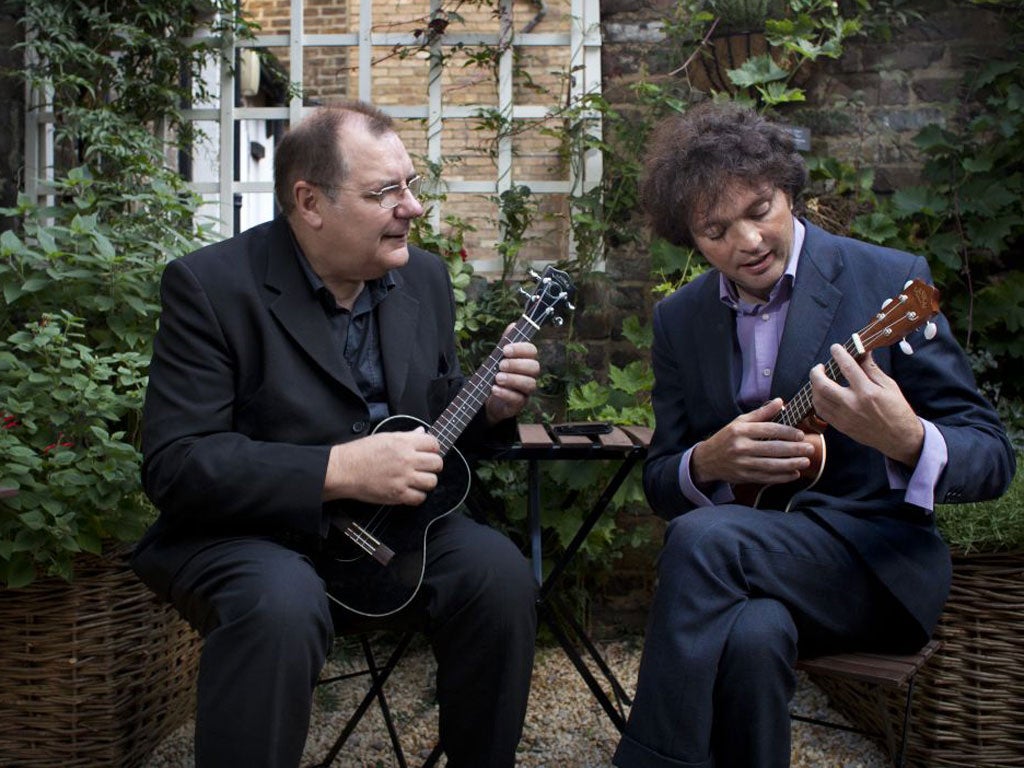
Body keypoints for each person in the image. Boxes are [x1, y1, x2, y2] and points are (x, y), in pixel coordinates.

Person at [132, 102, 541, 768]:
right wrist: (339, 471)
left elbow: (435, 438)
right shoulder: (210, 287)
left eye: (411, 184)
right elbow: (178, 466)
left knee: (500, 577)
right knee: (279, 605)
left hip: (394, 533)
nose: (414, 207)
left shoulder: (426, 278)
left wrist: (490, 408)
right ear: (310, 202)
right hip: (249, 535)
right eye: (387, 192)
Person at [613, 102, 1016, 768]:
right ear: (691, 239)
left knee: (701, 538)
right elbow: (661, 481)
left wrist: (907, 437)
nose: (745, 241)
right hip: (753, 564)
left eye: (759, 209)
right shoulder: (678, 321)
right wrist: (705, 460)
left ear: (789, 191)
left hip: (873, 570)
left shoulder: (888, 282)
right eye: (716, 229)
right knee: (752, 634)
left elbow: (992, 457)